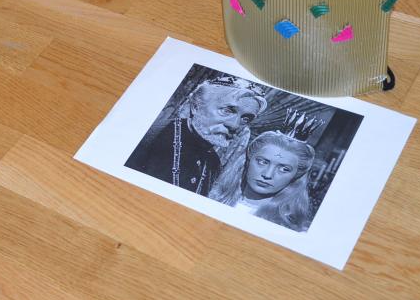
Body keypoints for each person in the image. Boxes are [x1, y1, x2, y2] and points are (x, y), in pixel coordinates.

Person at [125, 77, 267, 202]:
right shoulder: (149, 136)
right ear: (196, 106)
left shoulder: (213, 163)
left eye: (245, 119)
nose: (234, 125)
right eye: (227, 110)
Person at [233, 131, 315, 232]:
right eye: (262, 162)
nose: (267, 175)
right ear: (248, 160)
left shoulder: (290, 229)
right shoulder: (215, 197)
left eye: (284, 169)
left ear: (296, 175)